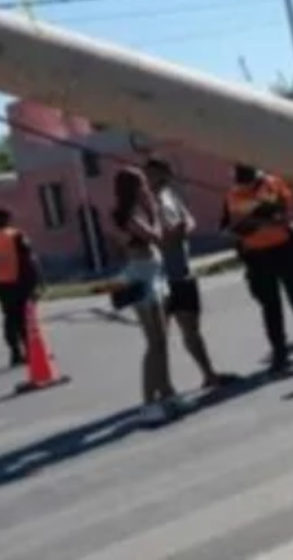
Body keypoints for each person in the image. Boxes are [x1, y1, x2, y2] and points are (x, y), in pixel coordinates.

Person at [221, 163, 293, 374]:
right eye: (241, 180)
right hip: (257, 256)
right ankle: (280, 353)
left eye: (247, 179)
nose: (244, 183)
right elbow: (225, 226)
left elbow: (284, 211)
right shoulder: (231, 193)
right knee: (270, 306)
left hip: (284, 248)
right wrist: (238, 230)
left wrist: (260, 215)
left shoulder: (273, 184)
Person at [144, 156, 235, 390]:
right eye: (153, 174)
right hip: (163, 276)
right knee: (160, 337)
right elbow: (152, 236)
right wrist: (173, 233)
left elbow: (188, 220)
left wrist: (185, 228)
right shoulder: (147, 203)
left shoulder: (170, 196)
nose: (159, 178)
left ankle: (208, 374)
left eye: (161, 173)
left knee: (191, 328)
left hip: (182, 270)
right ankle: (164, 387)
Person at [109, 167, 181, 425]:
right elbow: (154, 236)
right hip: (140, 276)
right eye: (141, 183)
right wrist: (156, 212)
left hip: (154, 273)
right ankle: (148, 402)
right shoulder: (127, 214)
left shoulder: (140, 209)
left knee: (161, 340)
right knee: (153, 342)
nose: (146, 187)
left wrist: (153, 209)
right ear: (132, 187)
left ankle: (167, 392)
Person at [0, 207, 42, 368]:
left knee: (9, 317)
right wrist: (37, 281)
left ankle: (15, 352)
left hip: (0, 282)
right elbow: (29, 259)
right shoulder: (16, 235)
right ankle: (29, 350)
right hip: (18, 280)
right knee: (23, 317)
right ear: (8, 219)